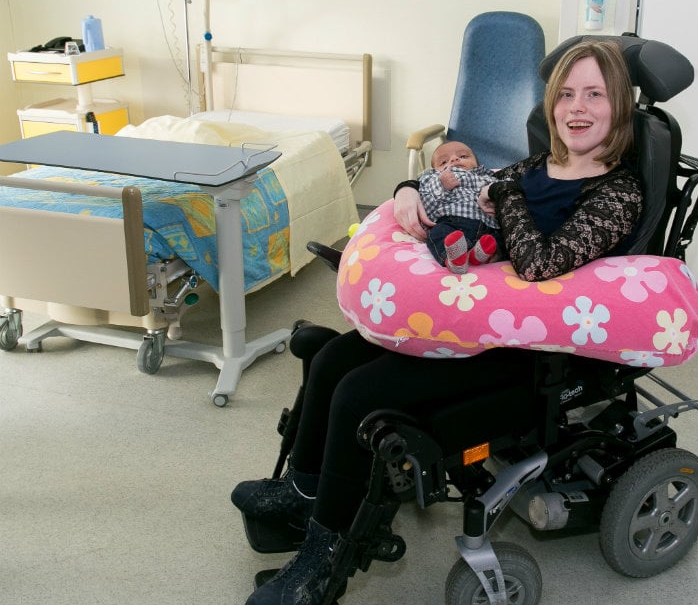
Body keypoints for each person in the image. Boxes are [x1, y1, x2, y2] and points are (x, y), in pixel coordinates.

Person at [230, 39, 644, 605]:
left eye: (595, 94)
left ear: (619, 104)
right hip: (469, 319)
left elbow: (539, 263)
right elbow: (469, 184)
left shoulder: (618, 191)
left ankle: (322, 562)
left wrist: (505, 195)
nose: (577, 107)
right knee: (331, 359)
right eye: (566, 93)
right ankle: (304, 495)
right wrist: (408, 189)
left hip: (523, 350)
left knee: (360, 394)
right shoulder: (540, 163)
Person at [416, 140, 501, 273]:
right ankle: (452, 260)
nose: (454, 159)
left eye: (463, 156)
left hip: (488, 226)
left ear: (477, 164)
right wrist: (441, 186)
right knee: (437, 233)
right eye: (443, 162)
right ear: (434, 171)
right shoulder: (432, 179)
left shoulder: (487, 176)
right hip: (452, 224)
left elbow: (506, 189)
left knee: (503, 240)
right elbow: (425, 205)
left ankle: (477, 255)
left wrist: (496, 197)